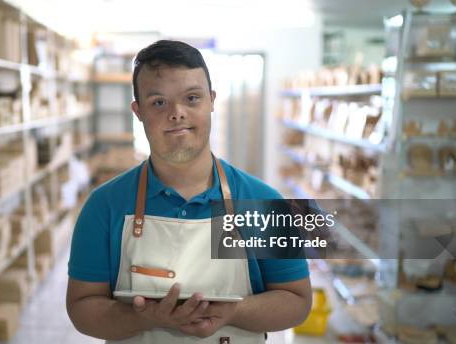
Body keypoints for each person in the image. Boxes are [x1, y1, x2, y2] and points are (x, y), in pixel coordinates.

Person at [66, 40, 312, 343]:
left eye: (192, 98)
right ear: (138, 110)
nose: (177, 113)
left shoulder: (264, 202)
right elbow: (81, 308)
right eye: (158, 102)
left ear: (211, 100)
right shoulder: (104, 206)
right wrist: (142, 317)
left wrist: (233, 312)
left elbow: (297, 302)